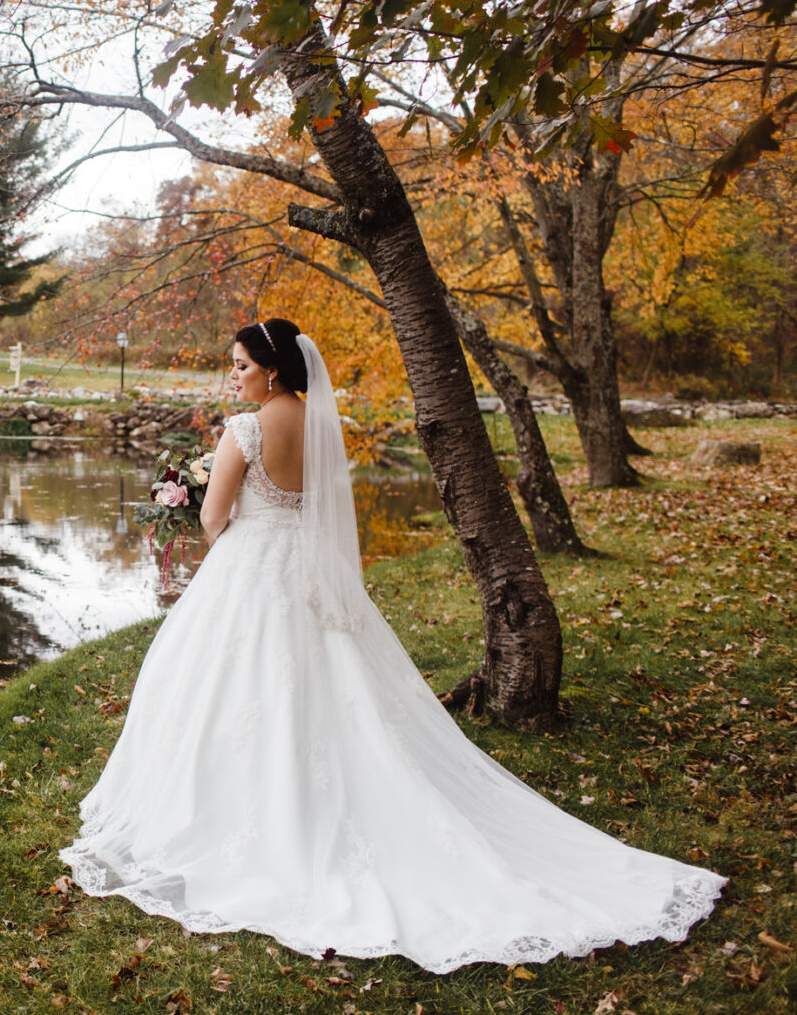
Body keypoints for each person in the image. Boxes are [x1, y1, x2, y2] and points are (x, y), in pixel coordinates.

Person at [58, 319, 724, 973]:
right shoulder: (319, 426)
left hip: (252, 566)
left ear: (273, 370)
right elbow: (314, 504)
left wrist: (210, 511)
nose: (232, 375)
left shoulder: (244, 429)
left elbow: (213, 516)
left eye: (238, 365)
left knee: (231, 686)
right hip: (308, 568)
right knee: (330, 683)